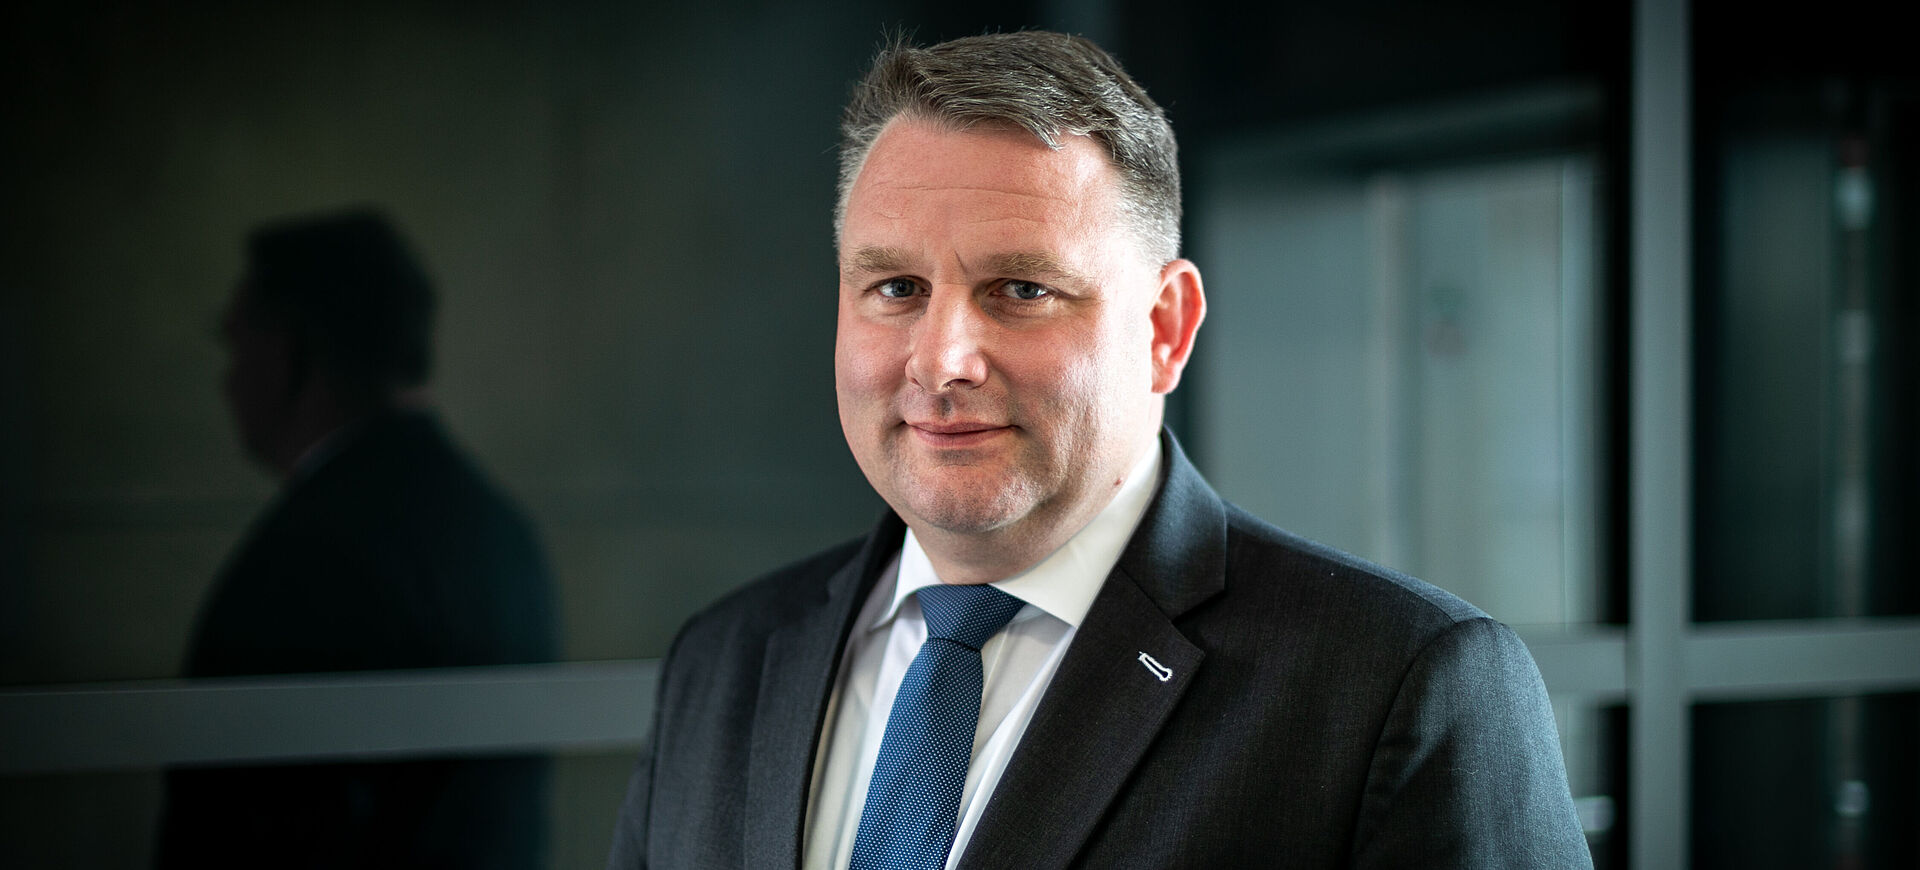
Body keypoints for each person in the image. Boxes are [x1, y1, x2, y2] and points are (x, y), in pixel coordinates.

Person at [608, 31, 1591, 869]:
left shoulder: (1396, 688)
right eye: (896, 288)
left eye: (1022, 290)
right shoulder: (727, 660)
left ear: (1165, 328)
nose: (942, 360)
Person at [157, 209, 559, 869]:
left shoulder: (304, 557)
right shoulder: (502, 531)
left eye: (234, 344)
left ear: (286, 352)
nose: (225, 382)